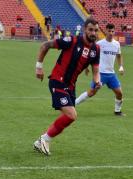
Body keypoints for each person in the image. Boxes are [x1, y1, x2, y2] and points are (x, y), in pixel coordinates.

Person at [33, 18, 101, 156]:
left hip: (70, 86)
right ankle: (44, 139)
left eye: (96, 30)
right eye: (90, 30)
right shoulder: (72, 41)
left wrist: (97, 81)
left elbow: (95, 69)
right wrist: (39, 67)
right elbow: (45, 46)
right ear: (84, 30)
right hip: (58, 81)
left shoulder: (96, 49)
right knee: (71, 115)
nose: (93, 33)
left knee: (68, 116)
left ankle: (41, 141)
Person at [75, 23, 125, 116]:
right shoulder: (99, 44)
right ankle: (73, 104)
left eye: (112, 31)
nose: (111, 33)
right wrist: (86, 67)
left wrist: (121, 66)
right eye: (109, 31)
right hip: (100, 74)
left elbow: (119, 55)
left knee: (119, 93)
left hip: (111, 74)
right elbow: (90, 55)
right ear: (105, 31)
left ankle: (117, 111)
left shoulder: (116, 44)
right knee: (91, 93)